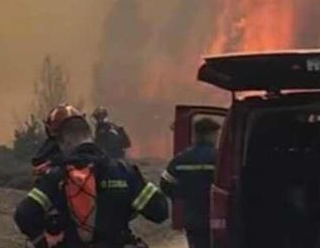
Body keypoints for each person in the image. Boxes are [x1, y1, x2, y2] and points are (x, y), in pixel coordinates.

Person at [15, 104, 168, 248]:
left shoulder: (56, 176)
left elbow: (24, 214)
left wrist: (42, 242)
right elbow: (160, 211)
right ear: (90, 136)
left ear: (63, 142)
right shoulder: (124, 172)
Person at [160, 118, 220, 248]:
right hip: (217, 218)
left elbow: (165, 183)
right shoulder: (220, 157)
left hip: (193, 218)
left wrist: (183, 194)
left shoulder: (181, 158)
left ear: (195, 135)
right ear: (211, 135)